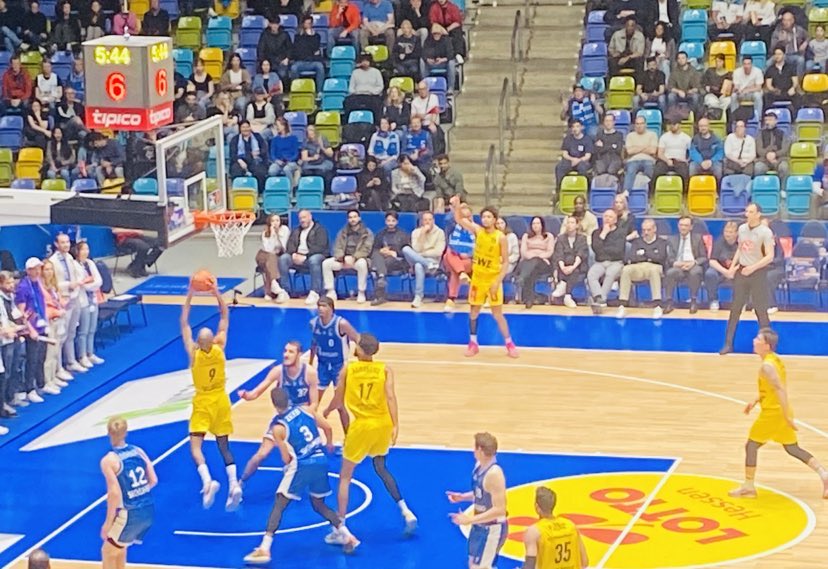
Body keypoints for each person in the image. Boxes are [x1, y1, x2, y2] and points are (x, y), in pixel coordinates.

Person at [243, 388, 359, 564]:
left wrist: (288, 465)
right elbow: (327, 427)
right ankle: (347, 535)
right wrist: (328, 443)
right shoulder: (306, 410)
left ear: (274, 404)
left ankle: (264, 548)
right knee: (319, 504)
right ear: (288, 399)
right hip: (321, 460)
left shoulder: (278, 427)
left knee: (280, 503)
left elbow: (286, 458)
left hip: (302, 465)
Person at [324, 333, 418, 541]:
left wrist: (326, 411)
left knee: (345, 477)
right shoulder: (385, 369)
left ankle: (341, 529)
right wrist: (396, 424)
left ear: (359, 349)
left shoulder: (348, 369)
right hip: (383, 424)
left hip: (362, 426)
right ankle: (406, 510)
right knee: (380, 466)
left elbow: (338, 399)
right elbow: (391, 397)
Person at [729, 328, 828, 499]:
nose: (754, 341)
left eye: (758, 339)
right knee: (792, 448)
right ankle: (824, 474)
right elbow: (771, 389)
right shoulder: (774, 359)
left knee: (751, 445)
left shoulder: (767, 366)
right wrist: (756, 400)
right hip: (780, 411)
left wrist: (786, 416)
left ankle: (749, 486)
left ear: (766, 345)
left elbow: (780, 389)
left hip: (773, 414)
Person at [180, 283, 242, 511]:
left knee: (195, 447)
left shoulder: (194, 353)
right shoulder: (220, 347)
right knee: (224, 445)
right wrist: (216, 292)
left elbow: (184, 323)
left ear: (199, 342)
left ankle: (207, 482)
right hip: (222, 400)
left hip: (203, 402)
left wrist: (190, 295)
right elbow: (224, 315)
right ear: (213, 340)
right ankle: (234, 484)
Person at [237, 341, 321, 482]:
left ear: (299, 355)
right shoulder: (278, 371)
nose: (286, 354)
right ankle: (241, 483)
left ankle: (301, 477)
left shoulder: (310, 373)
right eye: (285, 351)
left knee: (307, 456)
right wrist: (247, 395)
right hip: (282, 420)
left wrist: (302, 416)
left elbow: (314, 404)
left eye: (291, 352)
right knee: (262, 454)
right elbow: (256, 392)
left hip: (300, 419)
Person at [449, 195, 518, 358]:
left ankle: (510, 344)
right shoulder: (478, 231)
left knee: (497, 314)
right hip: (478, 278)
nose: (485, 219)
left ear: (494, 220)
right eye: (483, 217)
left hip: (493, 278)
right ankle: (473, 343)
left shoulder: (500, 237)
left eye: (489, 217)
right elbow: (459, 219)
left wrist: (497, 281)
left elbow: (505, 262)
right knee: (474, 312)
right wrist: (457, 206)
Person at [100, 417, 157, 569]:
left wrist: (108, 523)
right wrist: (138, 493)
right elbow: (153, 480)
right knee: (120, 548)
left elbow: (115, 494)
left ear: (108, 433)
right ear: (125, 432)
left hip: (130, 513)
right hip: (148, 509)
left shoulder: (109, 460)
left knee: (108, 551)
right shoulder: (138, 451)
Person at [447, 432, 508, 569]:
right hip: (479, 527)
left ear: (480, 450)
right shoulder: (479, 466)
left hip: (493, 528)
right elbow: (482, 495)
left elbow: (500, 510)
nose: (472, 451)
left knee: (480, 567)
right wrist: (463, 497)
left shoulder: (495, 474)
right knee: (473, 564)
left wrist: (470, 520)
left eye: (474, 448)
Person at [720, 203, 774, 355]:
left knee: (760, 310)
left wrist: (753, 267)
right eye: (746, 211)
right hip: (742, 272)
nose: (747, 214)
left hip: (758, 273)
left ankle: (768, 345)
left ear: (758, 214)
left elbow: (770, 256)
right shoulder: (742, 229)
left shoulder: (765, 232)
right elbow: (740, 249)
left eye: (750, 212)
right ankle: (728, 344)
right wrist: (733, 267)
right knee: (735, 309)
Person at [309, 296, 360, 430]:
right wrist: (310, 362)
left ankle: (348, 437)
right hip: (322, 366)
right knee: (312, 404)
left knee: (340, 405)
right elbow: (314, 343)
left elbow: (357, 338)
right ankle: (311, 435)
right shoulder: (313, 323)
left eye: (324, 306)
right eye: (319, 306)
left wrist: (360, 358)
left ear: (331, 308)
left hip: (339, 367)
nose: (320, 308)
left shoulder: (341, 324)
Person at [521, 487, 588, 569]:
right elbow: (584, 562)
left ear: (536, 506)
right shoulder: (571, 526)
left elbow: (529, 566)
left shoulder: (534, 531)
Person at [616, 218, 668, 319]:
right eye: (644, 230)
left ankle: (657, 306)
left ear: (654, 229)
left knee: (653, 270)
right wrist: (651, 255)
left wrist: (644, 253)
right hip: (639, 267)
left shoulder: (662, 242)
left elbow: (661, 258)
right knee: (626, 269)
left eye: (648, 230)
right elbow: (632, 257)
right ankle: (622, 305)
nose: (646, 232)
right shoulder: (637, 242)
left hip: (655, 267)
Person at [278, 209, 330, 305]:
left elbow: (321, 247)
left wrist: (305, 256)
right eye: (300, 218)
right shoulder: (296, 230)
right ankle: (284, 291)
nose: (302, 220)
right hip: (297, 256)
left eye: (304, 217)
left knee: (314, 260)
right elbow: (290, 245)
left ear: (310, 217)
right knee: (283, 258)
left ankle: (315, 292)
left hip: (313, 256)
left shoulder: (320, 230)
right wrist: (293, 254)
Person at [50, 233, 84, 376]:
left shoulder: (69, 257)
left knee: (71, 332)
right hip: (62, 300)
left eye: (67, 242)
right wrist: (68, 285)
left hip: (74, 297)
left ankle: (71, 361)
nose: (66, 245)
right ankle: (58, 368)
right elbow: (52, 283)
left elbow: (76, 276)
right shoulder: (52, 262)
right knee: (61, 336)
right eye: (62, 242)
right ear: (56, 244)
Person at [322, 209, 373, 303]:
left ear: (359, 218)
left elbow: (366, 249)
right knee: (326, 263)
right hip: (343, 260)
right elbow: (337, 247)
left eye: (355, 217)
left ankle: (361, 292)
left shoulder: (367, 232)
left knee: (362, 264)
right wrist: (342, 258)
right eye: (350, 217)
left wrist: (354, 257)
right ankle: (330, 291)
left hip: (358, 259)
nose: (353, 219)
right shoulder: (342, 232)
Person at [15, 258, 48, 405]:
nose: (38, 271)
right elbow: (21, 313)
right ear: (28, 271)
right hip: (31, 330)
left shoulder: (38, 282)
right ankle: (29, 389)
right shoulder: (23, 287)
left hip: (41, 325)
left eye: (39, 268)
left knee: (41, 357)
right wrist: (31, 329)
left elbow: (41, 304)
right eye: (35, 269)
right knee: (32, 360)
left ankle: (40, 384)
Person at [664, 215, 708, 314]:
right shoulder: (672, 239)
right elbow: (669, 257)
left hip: (693, 265)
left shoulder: (698, 238)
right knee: (670, 273)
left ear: (691, 227)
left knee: (695, 272)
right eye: (681, 225)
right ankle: (669, 302)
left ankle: (693, 301)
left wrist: (694, 263)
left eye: (686, 225)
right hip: (678, 266)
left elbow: (703, 257)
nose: (683, 228)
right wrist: (676, 263)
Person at [403, 211, 446, 308]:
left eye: (430, 219)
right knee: (405, 249)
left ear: (433, 220)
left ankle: (418, 296)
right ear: (422, 221)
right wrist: (422, 234)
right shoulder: (416, 232)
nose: (427, 222)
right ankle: (427, 264)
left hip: (433, 261)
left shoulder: (440, 233)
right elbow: (416, 249)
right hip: (422, 262)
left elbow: (438, 252)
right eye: (425, 220)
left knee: (419, 265)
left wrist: (421, 254)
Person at [588, 209, 625, 313]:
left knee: (610, 273)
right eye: (606, 216)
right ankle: (598, 297)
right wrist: (603, 234)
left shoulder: (620, 233)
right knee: (591, 275)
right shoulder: (596, 233)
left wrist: (603, 249)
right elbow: (596, 249)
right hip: (600, 262)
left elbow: (618, 251)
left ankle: (601, 300)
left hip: (616, 262)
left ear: (615, 220)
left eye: (610, 217)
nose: (607, 219)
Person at [371, 211, 411, 305]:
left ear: (397, 222)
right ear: (385, 221)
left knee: (379, 265)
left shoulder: (403, 235)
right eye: (388, 221)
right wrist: (381, 251)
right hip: (383, 259)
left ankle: (379, 295)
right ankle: (382, 277)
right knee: (377, 255)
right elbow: (374, 249)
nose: (390, 223)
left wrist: (394, 253)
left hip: (399, 261)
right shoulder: (380, 234)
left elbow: (408, 251)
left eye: (393, 221)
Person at [74, 241, 104, 368]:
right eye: (83, 249)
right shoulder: (74, 265)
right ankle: (82, 356)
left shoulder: (90, 263)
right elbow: (81, 285)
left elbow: (99, 281)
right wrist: (88, 284)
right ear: (77, 251)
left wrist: (89, 284)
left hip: (93, 299)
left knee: (92, 329)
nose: (86, 252)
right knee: (83, 331)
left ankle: (90, 353)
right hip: (82, 301)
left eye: (87, 249)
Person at [515, 217, 555, 309]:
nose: (535, 226)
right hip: (527, 262)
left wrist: (537, 256)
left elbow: (550, 252)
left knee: (535, 262)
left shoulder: (548, 236)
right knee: (531, 272)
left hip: (543, 263)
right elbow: (523, 252)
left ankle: (522, 278)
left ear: (542, 225)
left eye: (538, 223)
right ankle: (530, 300)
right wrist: (532, 257)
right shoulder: (526, 236)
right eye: (533, 224)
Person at [552, 215, 589, 308]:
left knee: (575, 271)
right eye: (568, 223)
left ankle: (565, 290)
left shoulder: (582, 238)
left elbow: (581, 254)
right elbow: (559, 254)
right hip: (563, 265)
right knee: (561, 269)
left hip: (577, 265)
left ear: (577, 225)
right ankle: (566, 294)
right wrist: (563, 267)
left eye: (572, 223)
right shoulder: (561, 238)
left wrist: (572, 267)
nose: (569, 225)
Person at [705, 220, 739, 311]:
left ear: (737, 233)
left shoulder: (742, 243)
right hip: (721, 270)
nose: (728, 234)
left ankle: (739, 302)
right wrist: (725, 272)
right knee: (710, 274)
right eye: (726, 231)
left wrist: (732, 270)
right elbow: (712, 261)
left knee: (744, 274)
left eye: (731, 232)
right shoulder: (719, 242)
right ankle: (713, 300)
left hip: (736, 270)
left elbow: (746, 261)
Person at [257, 214, 290, 303]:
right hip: (263, 255)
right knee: (270, 257)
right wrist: (272, 234)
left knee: (270, 263)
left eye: (277, 220)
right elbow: (269, 250)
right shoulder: (265, 233)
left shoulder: (285, 230)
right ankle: (278, 289)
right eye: (273, 221)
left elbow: (284, 247)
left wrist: (278, 235)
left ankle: (272, 290)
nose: (275, 223)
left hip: (277, 256)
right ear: (269, 223)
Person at [555, 119, 594, 190]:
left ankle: (584, 189)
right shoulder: (568, 139)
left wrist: (578, 160)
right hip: (570, 161)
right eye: (573, 127)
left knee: (583, 168)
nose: (575, 129)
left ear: (582, 127)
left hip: (582, 161)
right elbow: (565, 154)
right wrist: (572, 159)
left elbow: (588, 156)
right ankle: (559, 188)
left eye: (577, 126)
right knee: (560, 167)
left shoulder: (587, 139)